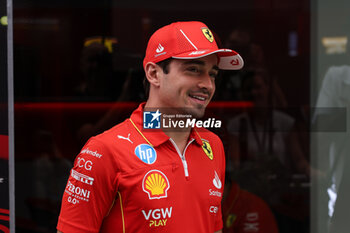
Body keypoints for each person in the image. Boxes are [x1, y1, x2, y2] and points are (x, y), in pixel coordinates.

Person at [56, 21, 244, 233]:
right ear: (154, 74)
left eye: (212, 74)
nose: (208, 85)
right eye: (193, 69)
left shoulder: (213, 145)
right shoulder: (104, 151)